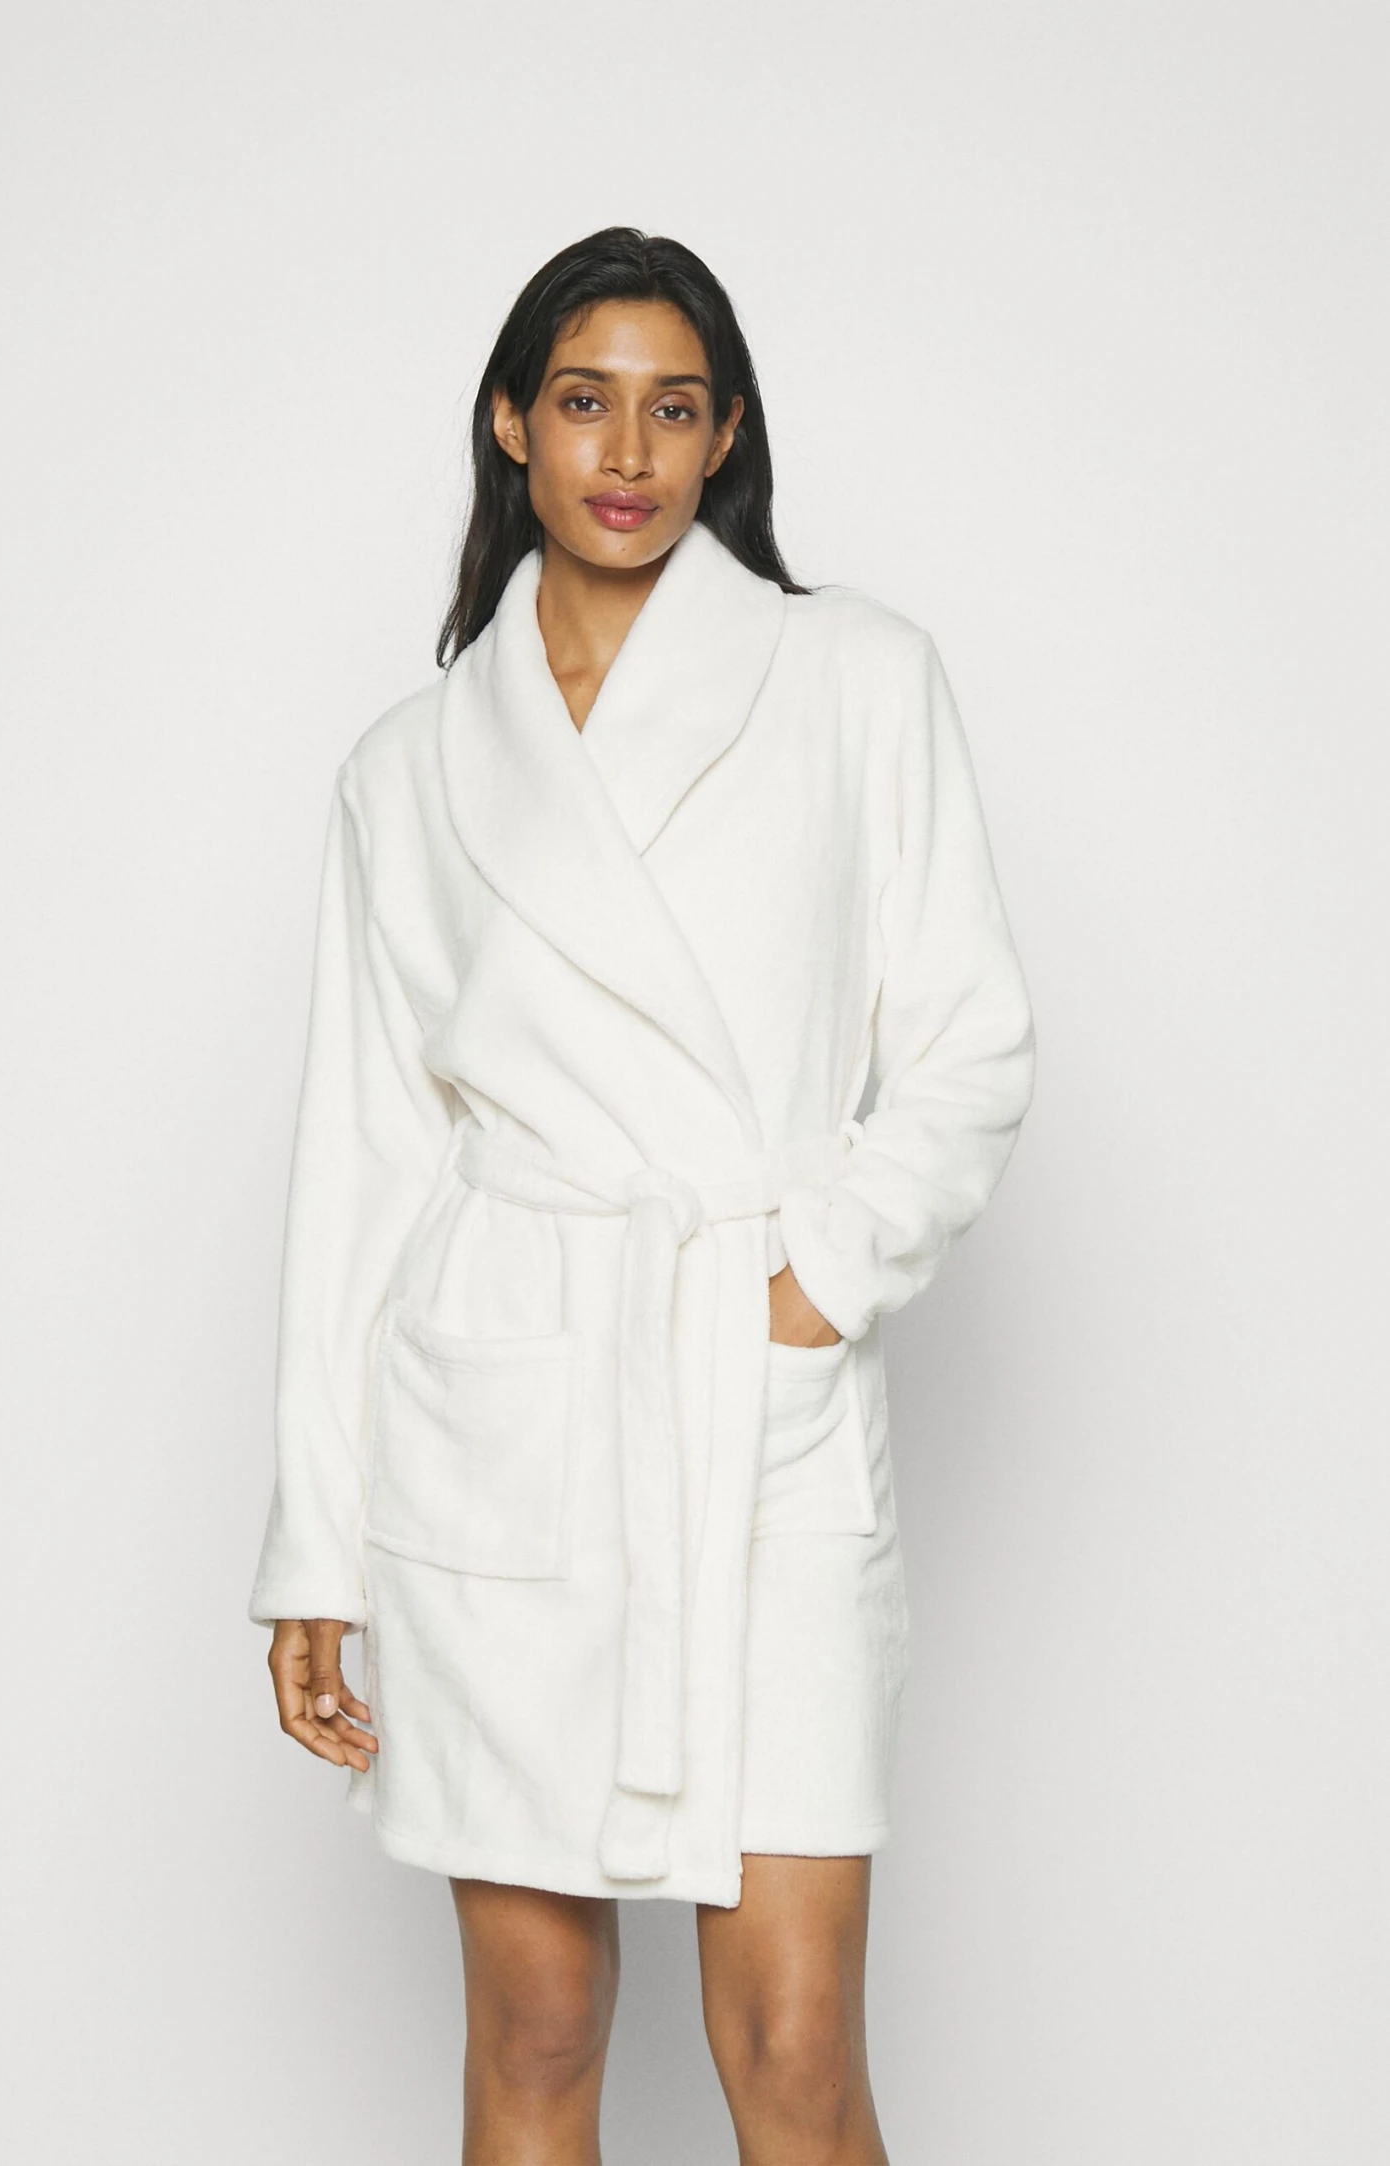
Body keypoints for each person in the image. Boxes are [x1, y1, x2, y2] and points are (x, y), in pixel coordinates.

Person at [247, 225, 1036, 2163]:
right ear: (510, 423)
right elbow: (366, 1162)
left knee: (794, 2046)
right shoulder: (410, 769)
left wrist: (810, 1284)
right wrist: (317, 1549)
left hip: (751, 1411)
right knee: (533, 2032)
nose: (627, 451)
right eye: (585, 401)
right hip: (501, 1428)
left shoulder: (854, 677)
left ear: (725, 436)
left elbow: (971, 1045)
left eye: (673, 409)